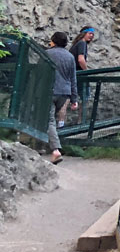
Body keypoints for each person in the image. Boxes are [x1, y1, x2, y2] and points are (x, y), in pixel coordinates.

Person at [45, 31, 78, 164]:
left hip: (49, 90)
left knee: (49, 121)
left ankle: (55, 150)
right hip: (64, 93)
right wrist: (74, 99)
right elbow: (73, 79)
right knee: (55, 120)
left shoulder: (47, 54)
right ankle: (49, 145)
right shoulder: (70, 57)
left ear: (53, 41)